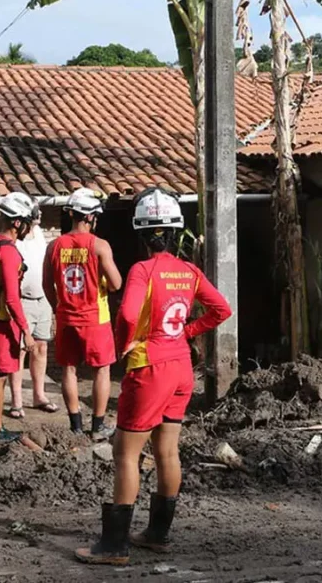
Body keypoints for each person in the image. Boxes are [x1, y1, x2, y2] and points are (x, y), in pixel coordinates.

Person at [75, 188, 233, 565]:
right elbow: (221, 309)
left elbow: (128, 315)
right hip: (181, 368)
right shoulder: (189, 271)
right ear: (176, 233)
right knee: (167, 451)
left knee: (126, 454)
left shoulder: (142, 270)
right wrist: (188, 333)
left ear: (142, 234)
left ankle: (114, 546)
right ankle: (157, 535)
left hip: (150, 368)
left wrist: (124, 344)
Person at [43, 188, 122, 441]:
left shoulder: (54, 246)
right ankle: (98, 426)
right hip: (95, 319)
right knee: (102, 370)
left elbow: (47, 284)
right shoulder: (100, 245)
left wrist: (59, 307)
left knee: (68, 369)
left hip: (66, 317)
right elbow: (117, 283)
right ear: (90, 217)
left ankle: (76, 426)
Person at [0, 191, 39, 444]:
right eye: (28, 223)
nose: (29, 228)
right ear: (17, 222)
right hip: (2, 322)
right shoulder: (9, 253)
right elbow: (12, 298)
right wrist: (27, 332)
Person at [8, 208, 59, 419]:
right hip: (22, 300)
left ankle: (39, 395)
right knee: (18, 350)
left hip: (43, 299)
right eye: (34, 216)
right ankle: (16, 401)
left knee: (41, 347)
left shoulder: (38, 235)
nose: (38, 218)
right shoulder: (16, 240)